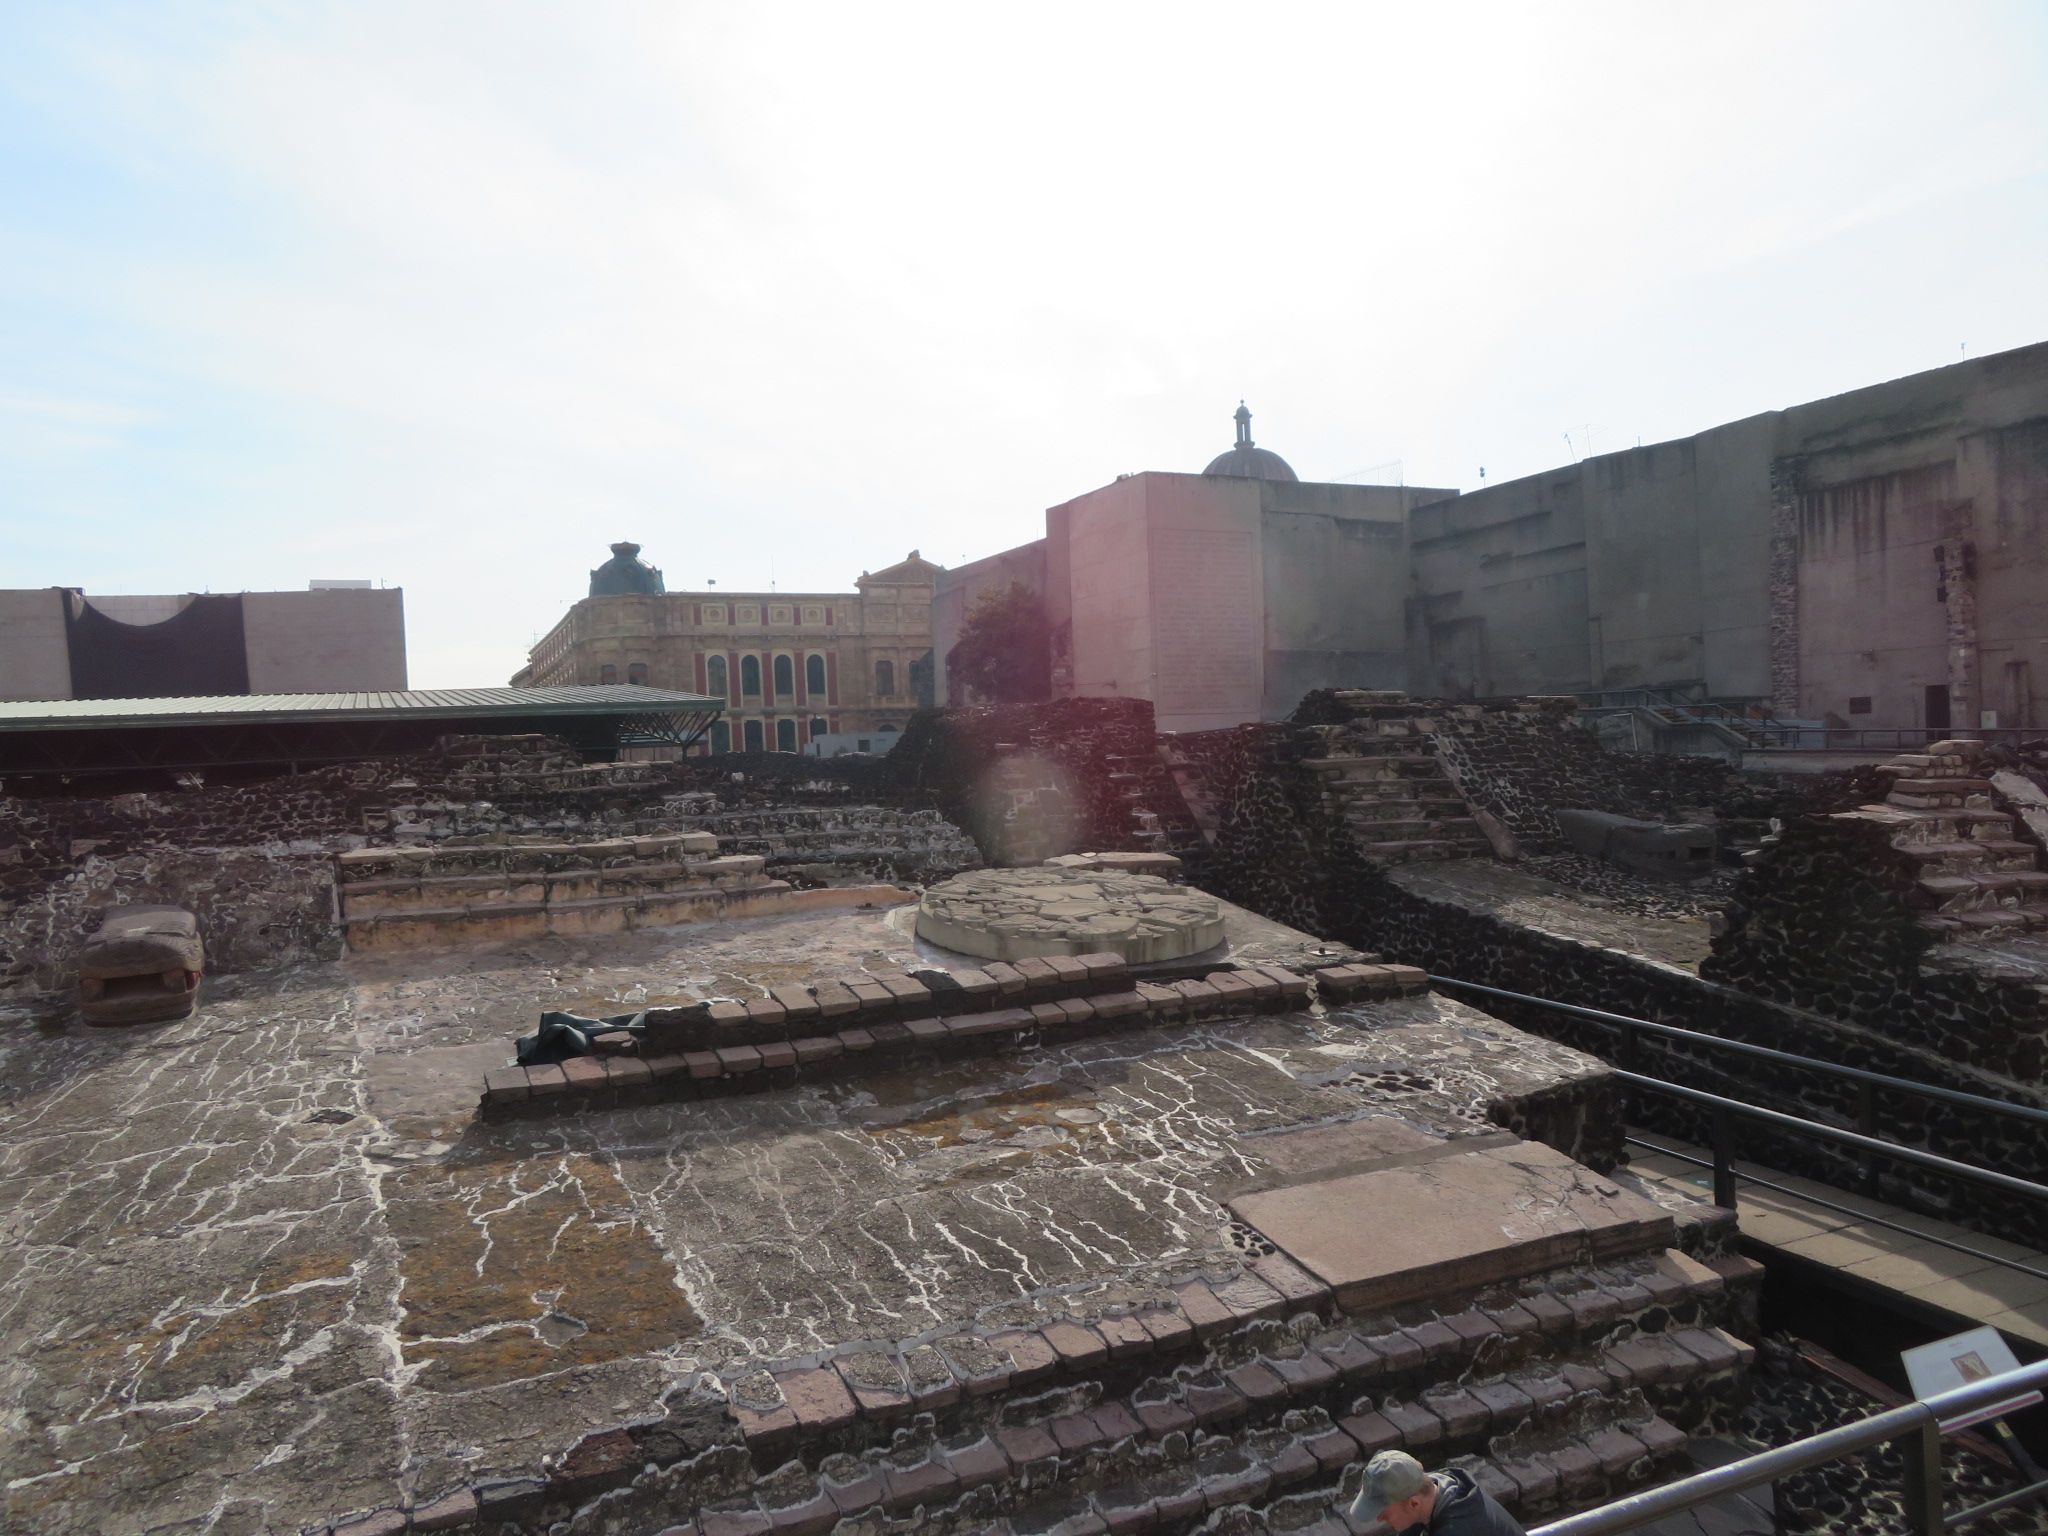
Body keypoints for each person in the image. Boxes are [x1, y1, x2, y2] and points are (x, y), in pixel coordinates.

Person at [1349, 1449, 1526, 1536]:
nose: (1379, 1519)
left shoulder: (1459, 1529)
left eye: (1383, 1512)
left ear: (1414, 1503)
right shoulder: (1435, 1486)